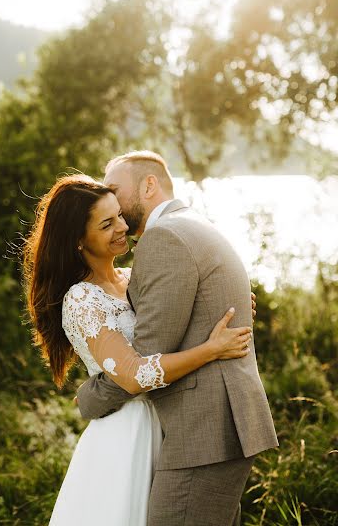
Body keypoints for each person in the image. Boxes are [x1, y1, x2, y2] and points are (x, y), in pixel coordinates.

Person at [23, 173, 255, 526]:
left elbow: (183, 322)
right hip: (125, 435)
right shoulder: (82, 299)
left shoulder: (134, 277)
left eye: (119, 214)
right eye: (107, 224)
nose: (122, 226)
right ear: (78, 241)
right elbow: (134, 376)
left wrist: (230, 304)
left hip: (170, 423)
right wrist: (211, 350)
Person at [76, 151, 279, 526]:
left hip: (204, 430)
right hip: (217, 423)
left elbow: (145, 357)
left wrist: (90, 396)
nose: (111, 201)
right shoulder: (194, 225)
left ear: (148, 185)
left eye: (115, 190)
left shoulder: (164, 237)